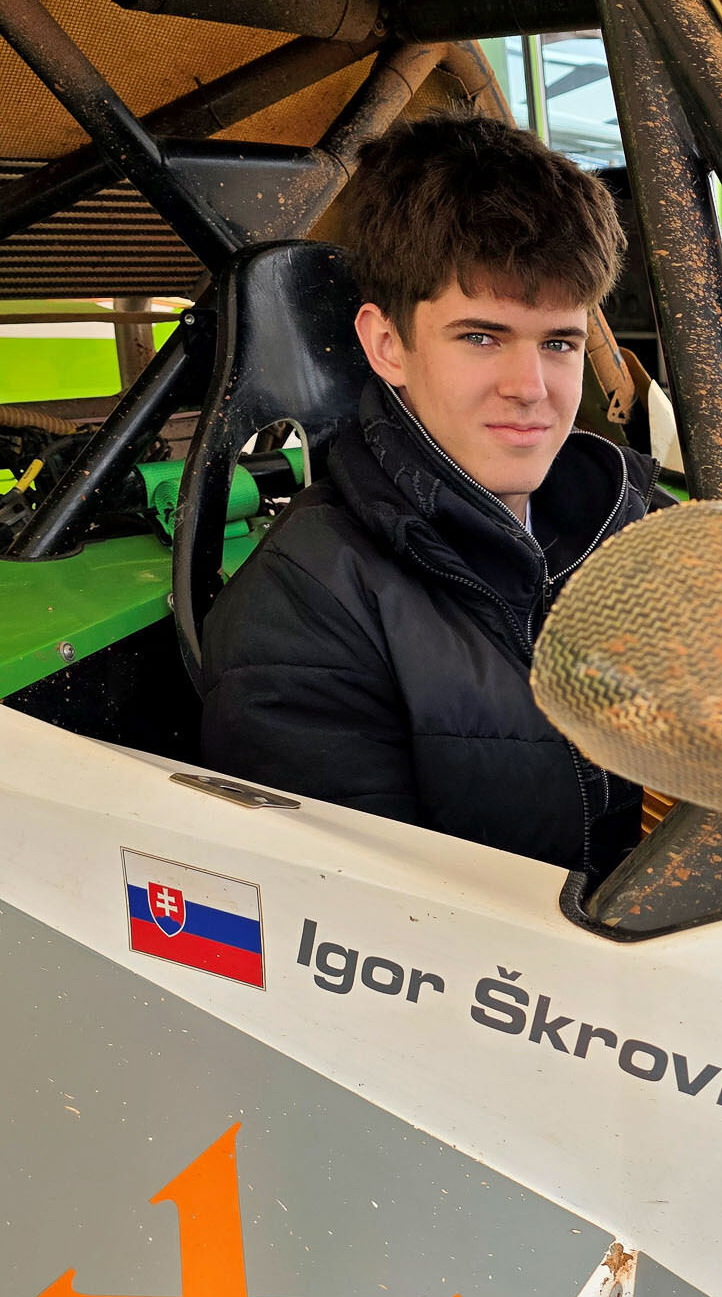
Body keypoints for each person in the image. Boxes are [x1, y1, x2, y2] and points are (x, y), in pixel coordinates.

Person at [200, 111, 658, 879]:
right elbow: (375, 922)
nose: (531, 388)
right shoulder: (301, 617)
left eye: (559, 343)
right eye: (481, 337)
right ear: (387, 345)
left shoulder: (625, 518)